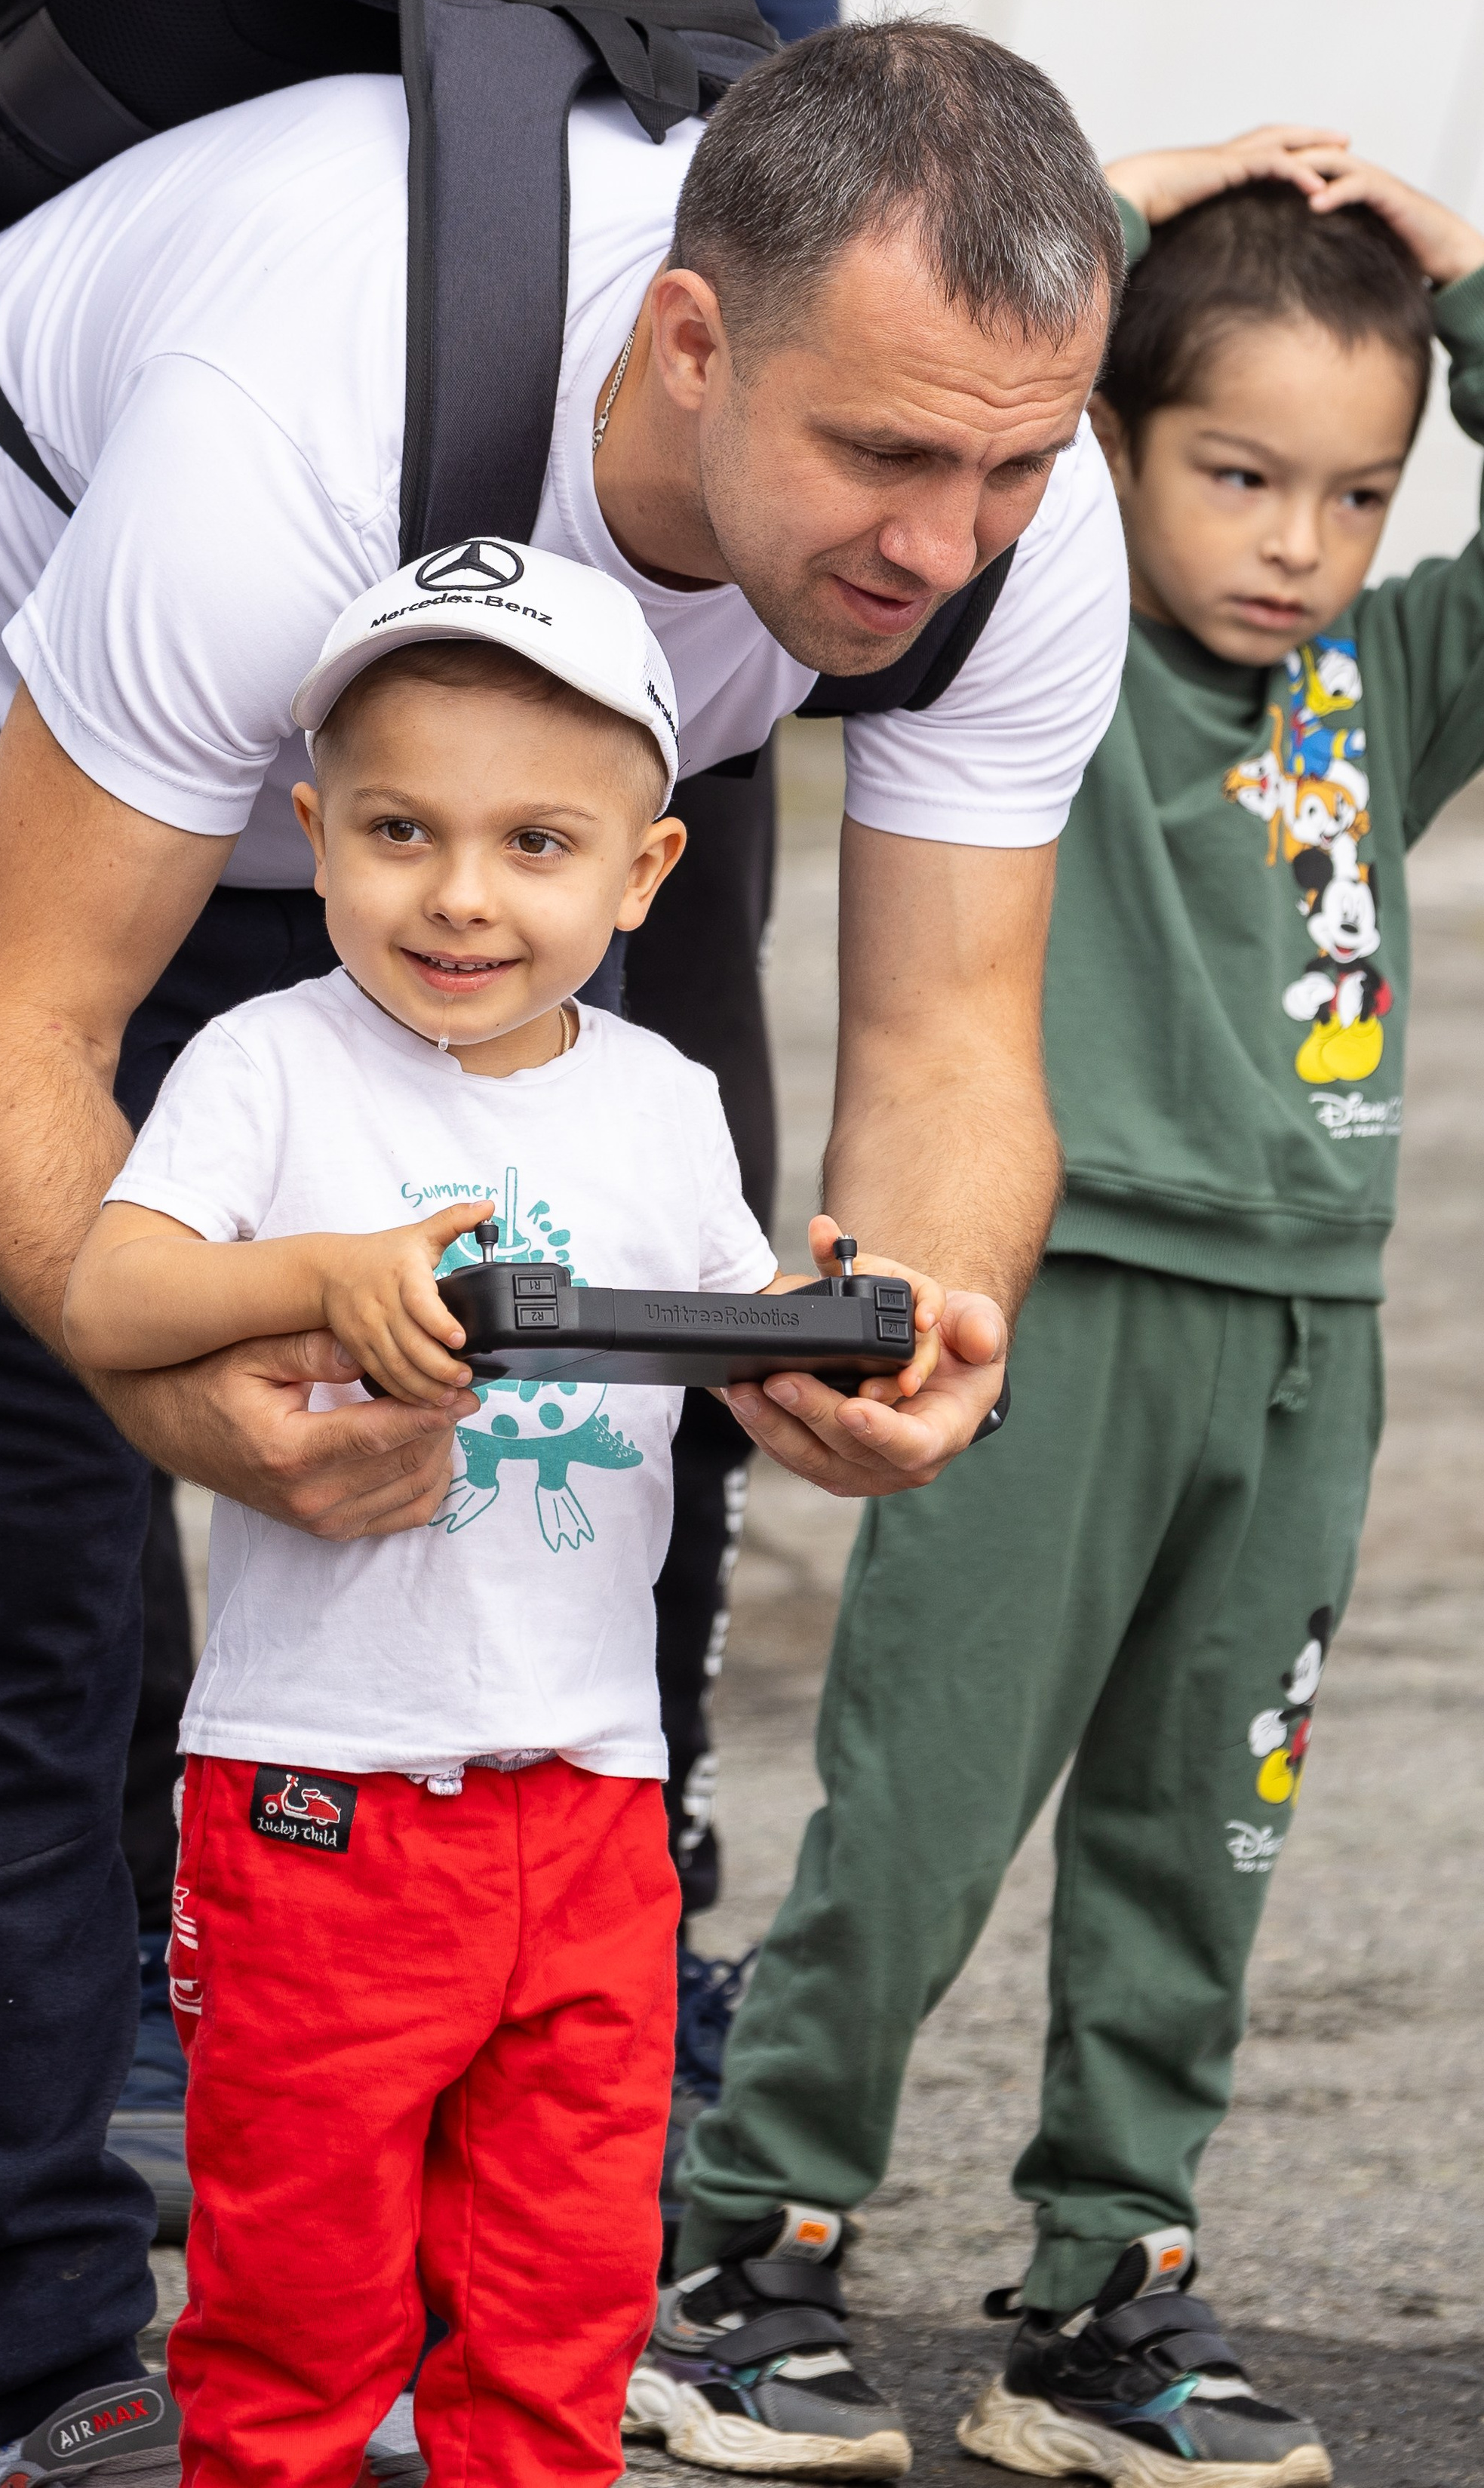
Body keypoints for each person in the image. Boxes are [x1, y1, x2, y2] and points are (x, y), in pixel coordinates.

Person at [0, 17, 1127, 2477]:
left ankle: (553, 2300)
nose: (945, 537)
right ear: (692, 346)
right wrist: (186, 1383)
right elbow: (15, 1054)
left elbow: (952, 1053)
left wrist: (898, 1324)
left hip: (568, 770)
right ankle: (60, 2359)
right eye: (887, 454)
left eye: (1007, 466)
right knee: (4, 1583)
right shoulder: (282, 425)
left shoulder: (1000, 520)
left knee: (631, 1424)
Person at [0, 0, 838, 2194]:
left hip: (558, 639)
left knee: (600, 1302)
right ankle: (95, 2146)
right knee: (20, 1503)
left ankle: (568, 1978)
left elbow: (792, 108)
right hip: (53, 591)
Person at [638, 126, 1484, 2487]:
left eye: (1352, 490)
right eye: (1235, 473)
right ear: (1111, 447)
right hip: (1074, 1310)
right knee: (921, 1814)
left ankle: (1106, 2305)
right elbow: (968, 319)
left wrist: (1461, 275)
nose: (1294, 543)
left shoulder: (1383, 684)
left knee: (1202, 1841)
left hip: (1310, 1347)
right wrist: (1144, 195)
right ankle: (740, 2268)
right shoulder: (1059, 631)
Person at [55, 555, 920, 2488]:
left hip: (590, 1791)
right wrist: (323, 1276)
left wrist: (833, 1349)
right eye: (397, 830)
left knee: (564, 2290)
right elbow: (109, 1298)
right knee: (294, 2298)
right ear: (312, 837)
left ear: (642, 871)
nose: (459, 891)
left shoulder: (662, 1098)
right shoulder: (265, 1067)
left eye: (536, 841)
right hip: (321, 1794)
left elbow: (729, 1352)